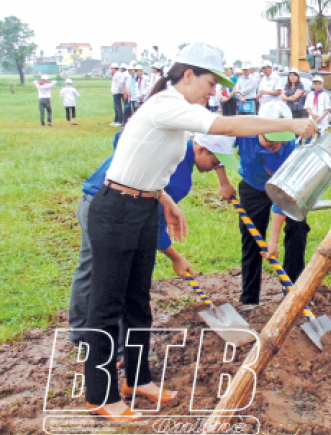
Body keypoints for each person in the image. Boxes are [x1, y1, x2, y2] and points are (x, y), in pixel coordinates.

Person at [80, 42, 318, 423]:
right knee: (107, 305)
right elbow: (226, 124)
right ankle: (100, 395)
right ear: (187, 75)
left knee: (139, 300)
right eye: (210, 82)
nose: (214, 91)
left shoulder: (177, 112)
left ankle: (137, 380)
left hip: (142, 206)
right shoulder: (165, 105)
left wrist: (165, 201)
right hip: (117, 210)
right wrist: (288, 123)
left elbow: (145, 162)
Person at [68, 131, 237, 346]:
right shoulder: (179, 176)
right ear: (201, 149)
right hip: (109, 213)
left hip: (90, 201)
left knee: (90, 269)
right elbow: (154, 223)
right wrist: (176, 257)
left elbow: (119, 138)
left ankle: (80, 334)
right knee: (116, 277)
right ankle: (115, 345)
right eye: (215, 162)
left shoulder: (168, 141)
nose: (214, 167)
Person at [230, 101, 312, 305]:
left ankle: (292, 292)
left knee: (297, 229)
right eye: (272, 141)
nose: (277, 147)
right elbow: (216, 148)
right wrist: (223, 181)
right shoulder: (243, 133)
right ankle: (249, 299)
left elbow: (281, 198)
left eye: (281, 142)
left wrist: (273, 242)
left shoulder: (290, 147)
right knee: (252, 237)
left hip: (286, 189)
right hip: (252, 186)